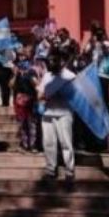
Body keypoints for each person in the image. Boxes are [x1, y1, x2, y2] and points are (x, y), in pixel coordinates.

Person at [38, 54, 77, 184]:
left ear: (61, 61)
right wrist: (44, 95)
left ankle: (69, 170)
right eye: (50, 60)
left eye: (54, 60)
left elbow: (75, 95)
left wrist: (61, 91)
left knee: (66, 142)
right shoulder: (47, 76)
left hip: (64, 112)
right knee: (48, 143)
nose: (51, 62)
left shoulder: (69, 76)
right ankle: (50, 169)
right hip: (48, 112)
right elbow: (40, 93)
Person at [12, 52, 39, 152]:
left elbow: (36, 84)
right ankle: (24, 144)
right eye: (20, 57)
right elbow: (11, 85)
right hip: (19, 100)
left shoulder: (31, 71)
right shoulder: (17, 72)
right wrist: (15, 75)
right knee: (22, 123)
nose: (22, 58)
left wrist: (33, 80)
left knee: (31, 123)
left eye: (24, 57)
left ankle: (33, 145)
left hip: (31, 99)